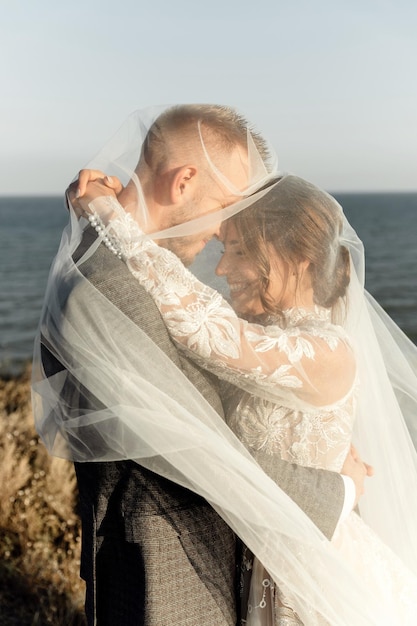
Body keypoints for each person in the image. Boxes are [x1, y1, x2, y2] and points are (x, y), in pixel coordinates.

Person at [33, 106, 376, 626]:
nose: (220, 233)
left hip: (213, 568)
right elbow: (200, 445)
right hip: (163, 570)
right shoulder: (109, 285)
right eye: (223, 208)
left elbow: (214, 361)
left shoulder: (116, 266)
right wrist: (340, 489)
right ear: (185, 180)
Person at [76, 173, 417, 624]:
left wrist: (107, 215)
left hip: (318, 586)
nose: (220, 270)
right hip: (260, 575)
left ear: (296, 258)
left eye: (237, 250)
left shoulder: (331, 353)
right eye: (222, 249)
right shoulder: (266, 344)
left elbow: (203, 327)